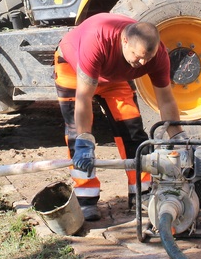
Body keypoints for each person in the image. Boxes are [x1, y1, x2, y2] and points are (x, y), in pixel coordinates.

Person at [53, 13, 183, 221]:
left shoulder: (157, 56)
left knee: (132, 130)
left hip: (114, 76)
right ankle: (86, 198)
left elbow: (166, 100)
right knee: (77, 135)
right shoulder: (97, 41)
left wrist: (178, 138)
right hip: (74, 69)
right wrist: (86, 141)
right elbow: (84, 97)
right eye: (137, 55)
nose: (142, 63)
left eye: (147, 58)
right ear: (124, 40)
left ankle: (141, 191)